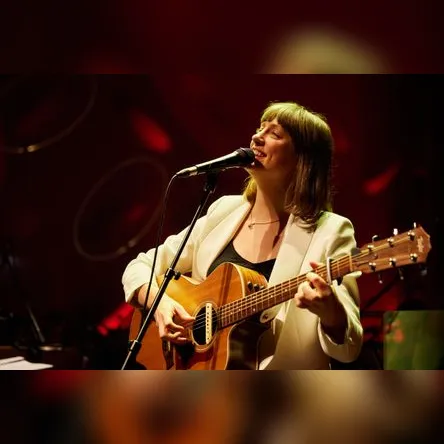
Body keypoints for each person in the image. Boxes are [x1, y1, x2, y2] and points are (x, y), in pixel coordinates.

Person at [122, 100, 363, 369]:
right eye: (260, 128)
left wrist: (331, 313)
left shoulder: (331, 231)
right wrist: (161, 305)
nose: (257, 137)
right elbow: (140, 266)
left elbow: (349, 348)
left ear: (303, 158)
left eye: (274, 134)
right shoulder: (224, 211)